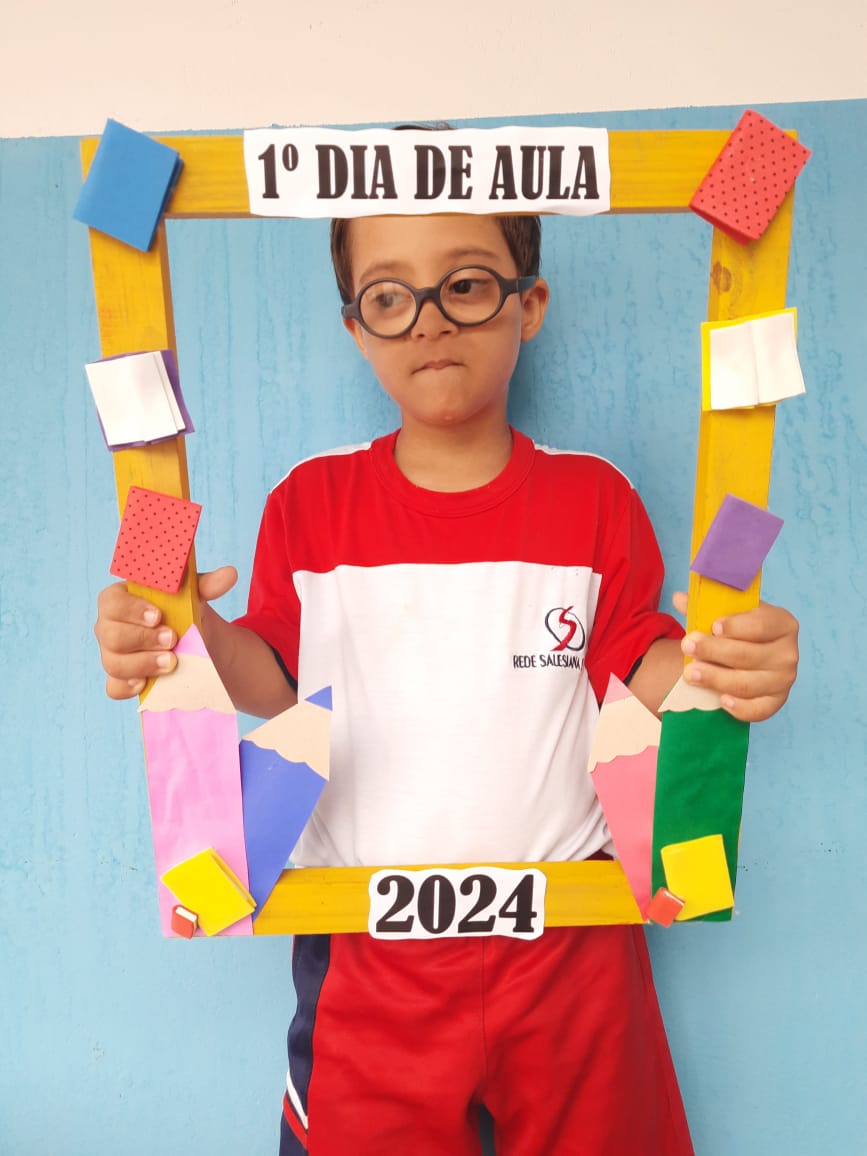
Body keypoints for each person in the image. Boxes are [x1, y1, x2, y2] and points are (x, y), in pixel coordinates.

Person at [95, 207, 799, 1156]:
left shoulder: (597, 497)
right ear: (356, 327)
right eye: (389, 296)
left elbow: (642, 663)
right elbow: (272, 674)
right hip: (365, 949)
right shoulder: (309, 501)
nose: (428, 318)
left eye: (464, 284)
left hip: (573, 946)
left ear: (528, 305)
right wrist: (181, 636)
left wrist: (730, 663)